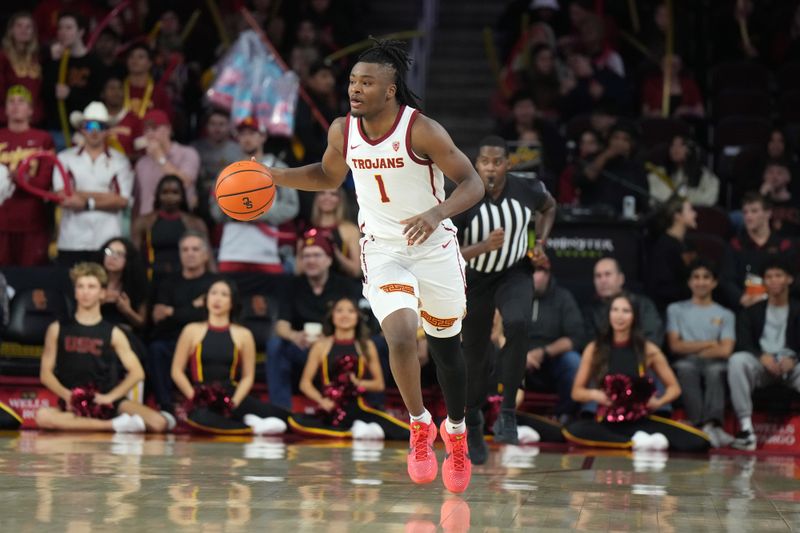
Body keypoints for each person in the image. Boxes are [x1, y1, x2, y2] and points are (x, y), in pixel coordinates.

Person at [259, 39, 484, 493]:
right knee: (399, 333)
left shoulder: (423, 130)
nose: (355, 90)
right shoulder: (342, 130)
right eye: (352, 82)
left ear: (391, 88)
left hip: (434, 247)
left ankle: (456, 432)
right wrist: (276, 176)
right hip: (382, 248)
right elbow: (328, 175)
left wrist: (437, 213)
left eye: (366, 83)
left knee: (447, 354)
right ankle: (419, 426)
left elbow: (472, 183)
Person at [451, 135, 555, 464]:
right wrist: (482, 247)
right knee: (475, 356)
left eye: (497, 162)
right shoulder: (464, 198)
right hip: (476, 278)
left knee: (519, 323)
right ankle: (474, 419)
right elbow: (448, 251)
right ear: (476, 164)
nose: (491, 168)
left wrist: (538, 242)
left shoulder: (528, 190)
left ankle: (508, 410)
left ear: (508, 164)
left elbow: (550, 207)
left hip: (515, 272)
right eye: (485, 162)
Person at [564, 293, 709, 452]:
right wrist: (595, 395)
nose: (619, 316)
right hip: (607, 423)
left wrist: (658, 402)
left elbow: (675, 388)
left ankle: (639, 440)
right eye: (615, 310)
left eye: (626, 311)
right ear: (609, 314)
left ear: (634, 316)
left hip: (640, 420)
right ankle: (635, 443)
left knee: (698, 441)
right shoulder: (595, 349)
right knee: (574, 430)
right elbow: (576, 392)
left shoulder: (648, 349)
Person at [35, 262, 169, 433]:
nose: (85, 292)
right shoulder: (57, 328)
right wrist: (67, 395)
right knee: (43, 417)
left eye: (91, 287)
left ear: (102, 293)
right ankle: (113, 426)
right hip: (72, 402)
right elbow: (45, 374)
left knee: (158, 422)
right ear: (75, 292)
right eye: (80, 287)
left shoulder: (114, 332)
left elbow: (137, 373)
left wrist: (108, 398)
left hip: (107, 401)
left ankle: (97, 423)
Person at [171, 279, 288, 435]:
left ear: (232, 303)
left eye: (224, 294)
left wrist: (233, 403)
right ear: (206, 299)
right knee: (201, 417)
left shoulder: (243, 334)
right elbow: (176, 371)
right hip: (200, 396)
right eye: (213, 293)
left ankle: (244, 419)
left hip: (232, 396)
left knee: (282, 415)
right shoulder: (191, 330)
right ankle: (251, 427)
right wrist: (195, 397)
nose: (217, 299)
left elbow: (248, 377)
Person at [290, 297, 409, 440]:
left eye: (350, 311)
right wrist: (322, 401)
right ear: (332, 316)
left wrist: (356, 383)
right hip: (330, 409)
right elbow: (305, 383)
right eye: (339, 311)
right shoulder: (321, 346)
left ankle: (362, 429)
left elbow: (379, 384)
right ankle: (361, 431)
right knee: (295, 422)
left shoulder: (366, 345)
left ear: (357, 317)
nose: (344, 315)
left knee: (404, 432)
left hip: (359, 408)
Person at [267, 233, 361, 410]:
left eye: (317, 255)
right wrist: (294, 335)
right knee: (275, 345)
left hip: (335, 348)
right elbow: (281, 324)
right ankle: (280, 410)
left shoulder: (344, 286)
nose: (311, 261)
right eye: (306, 256)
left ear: (329, 260)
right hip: (303, 346)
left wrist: (329, 339)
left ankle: (356, 408)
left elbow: (357, 324)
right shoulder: (292, 285)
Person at [727, 259, 800, 451]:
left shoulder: (798, 309)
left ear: (789, 279)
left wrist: (794, 359)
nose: (773, 280)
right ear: (763, 281)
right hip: (762, 367)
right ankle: (746, 430)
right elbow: (743, 343)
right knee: (737, 361)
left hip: (793, 367)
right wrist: (761, 357)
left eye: (778, 275)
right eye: (769, 276)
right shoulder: (751, 312)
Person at [212, 116, 298, 274]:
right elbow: (215, 210)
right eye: (243, 134)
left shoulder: (278, 167)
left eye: (252, 133)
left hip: (267, 251)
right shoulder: (227, 171)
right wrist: (240, 210)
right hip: (232, 249)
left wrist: (255, 211)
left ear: (263, 137)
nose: (247, 138)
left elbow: (292, 206)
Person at [54, 101, 134, 267]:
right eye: (90, 125)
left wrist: (84, 200)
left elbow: (122, 200)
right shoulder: (64, 158)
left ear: (107, 131)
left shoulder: (120, 161)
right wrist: (107, 197)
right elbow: (63, 196)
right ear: (82, 128)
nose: (95, 131)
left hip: (107, 239)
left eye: (101, 126)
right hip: (72, 241)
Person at [667, 259, 736, 448]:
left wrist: (692, 347)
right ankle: (700, 425)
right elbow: (675, 346)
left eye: (706, 277)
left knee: (716, 371)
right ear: (689, 282)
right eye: (696, 277)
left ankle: (713, 424)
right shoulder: (675, 309)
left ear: (714, 282)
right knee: (685, 367)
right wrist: (709, 343)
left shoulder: (726, 314)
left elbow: (726, 350)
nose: (701, 282)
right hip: (686, 362)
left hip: (715, 362)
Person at [147, 231, 218, 412]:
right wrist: (192, 308)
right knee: (156, 348)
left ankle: (207, 406)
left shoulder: (215, 283)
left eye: (195, 249)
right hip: (172, 339)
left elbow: (209, 314)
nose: (190, 253)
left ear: (205, 254)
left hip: (204, 340)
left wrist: (173, 311)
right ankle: (165, 407)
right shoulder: (168, 282)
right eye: (185, 250)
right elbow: (157, 316)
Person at [524, 256, 584, 424]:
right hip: (516, 359)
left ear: (549, 274)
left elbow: (576, 337)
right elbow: (496, 330)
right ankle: (493, 414)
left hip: (550, 361)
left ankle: (565, 416)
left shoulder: (563, 298)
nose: (535, 276)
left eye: (540, 271)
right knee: (490, 354)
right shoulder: (512, 295)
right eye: (531, 271)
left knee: (573, 360)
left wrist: (543, 352)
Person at [0, 85, 54, 266]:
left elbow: (45, 183)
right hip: (2, 221)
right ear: (5, 109)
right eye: (11, 102)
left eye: (21, 102)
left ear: (31, 110)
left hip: (32, 222)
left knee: (31, 278)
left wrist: (21, 179)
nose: (16, 106)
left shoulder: (43, 138)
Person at [721, 193, 797, 310]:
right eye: (745, 212)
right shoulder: (735, 245)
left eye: (754, 211)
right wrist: (741, 298)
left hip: (780, 305)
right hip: (746, 306)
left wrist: (772, 297)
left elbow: (795, 278)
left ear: (768, 213)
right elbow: (727, 279)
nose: (748, 216)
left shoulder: (784, 245)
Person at [41, 12, 102, 149]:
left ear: (81, 32)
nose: (63, 32)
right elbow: (44, 93)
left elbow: (97, 99)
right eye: (60, 28)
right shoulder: (52, 61)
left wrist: (70, 94)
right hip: (57, 129)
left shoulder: (94, 63)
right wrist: (53, 61)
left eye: (68, 28)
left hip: (86, 129)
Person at [131, 175, 208, 279]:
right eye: (165, 192)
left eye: (175, 192)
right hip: (152, 279)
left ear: (182, 195)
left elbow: (208, 256)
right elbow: (134, 258)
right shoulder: (144, 222)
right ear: (158, 195)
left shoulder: (195, 223)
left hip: (185, 279)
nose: (169, 197)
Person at [133, 109, 200, 216]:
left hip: (180, 221)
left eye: (155, 129)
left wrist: (160, 158)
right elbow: (137, 202)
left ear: (168, 129)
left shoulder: (187, 153)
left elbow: (185, 183)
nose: (150, 134)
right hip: (148, 223)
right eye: (146, 130)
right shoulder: (141, 163)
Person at [584, 257, 664, 346]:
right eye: (598, 276)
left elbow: (653, 338)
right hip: (605, 357)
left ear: (621, 279)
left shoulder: (643, 304)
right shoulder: (590, 311)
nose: (603, 280)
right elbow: (591, 344)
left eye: (608, 274)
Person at [645, 196, 698, 313]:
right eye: (690, 210)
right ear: (677, 216)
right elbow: (661, 287)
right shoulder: (662, 247)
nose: (695, 214)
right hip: (669, 310)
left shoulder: (689, 244)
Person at [297, 188, 361, 278]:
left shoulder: (350, 230)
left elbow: (356, 271)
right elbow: (298, 271)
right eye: (322, 193)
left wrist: (334, 252)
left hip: (343, 286)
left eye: (333, 194)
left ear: (340, 199)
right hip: (312, 287)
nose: (327, 197)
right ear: (317, 198)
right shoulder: (306, 231)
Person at [646, 134, 720, 207]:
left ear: (690, 149)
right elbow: (656, 198)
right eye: (673, 145)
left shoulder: (705, 175)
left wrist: (685, 197)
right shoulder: (659, 173)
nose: (675, 149)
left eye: (680, 145)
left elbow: (709, 199)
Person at [0, 12, 43, 126]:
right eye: (19, 26)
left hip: (35, 120)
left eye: (28, 27)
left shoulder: (39, 57)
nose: (23, 30)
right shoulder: (3, 57)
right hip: (7, 121)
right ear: (11, 30)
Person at [98, 237, 148, 331]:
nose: (113, 257)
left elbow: (142, 323)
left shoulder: (136, 283)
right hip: (96, 331)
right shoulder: (93, 281)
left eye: (119, 254)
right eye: (109, 251)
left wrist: (127, 310)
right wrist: (97, 302)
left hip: (124, 331)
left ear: (128, 260)